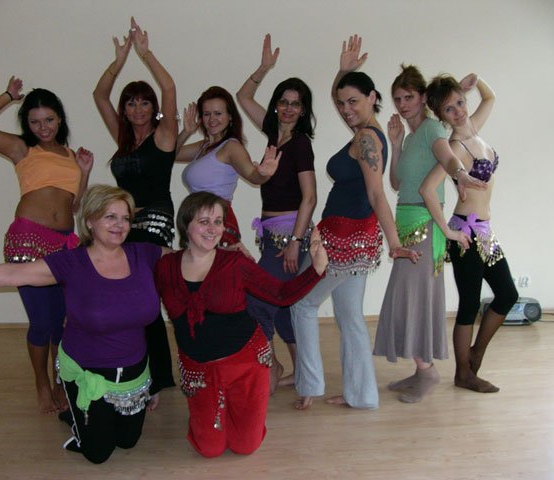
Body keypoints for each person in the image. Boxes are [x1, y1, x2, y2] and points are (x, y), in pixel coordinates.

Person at [0, 185, 166, 464]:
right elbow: (12, 274)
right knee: (98, 453)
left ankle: (95, 418)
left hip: (134, 373)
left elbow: (190, 261)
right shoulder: (72, 263)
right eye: (110, 217)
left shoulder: (145, 254)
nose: (119, 225)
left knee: (128, 441)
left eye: (125, 218)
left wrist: (216, 242)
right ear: (90, 220)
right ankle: (74, 416)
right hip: (89, 370)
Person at [290, 36, 420, 411]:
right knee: (350, 317)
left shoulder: (366, 139)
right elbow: (338, 98)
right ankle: (361, 395)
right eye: (342, 102)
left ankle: (310, 384)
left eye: (354, 101)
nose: (346, 109)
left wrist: (395, 243)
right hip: (357, 238)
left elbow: (378, 194)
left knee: (301, 304)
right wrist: (343, 71)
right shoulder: (368, 133)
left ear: (372, 97)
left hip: (343, 238)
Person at [153, 191, 327, 458]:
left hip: (244, 365)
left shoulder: (234, 263)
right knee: (209, 449)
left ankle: (233, 413)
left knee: (245, 446)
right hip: (198, 370)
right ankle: (212, 414)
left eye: (218, 222)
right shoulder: (165, 267)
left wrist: (316, 269)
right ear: (186, 225)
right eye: (204, 221)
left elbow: (281, 294)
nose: (213, 229)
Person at [0, 77, 93, 414]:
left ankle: (60, 381)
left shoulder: (70, 155)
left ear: (60, 118)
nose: (43, 127)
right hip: (28, 239)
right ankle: (41, 383)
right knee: (42, 323)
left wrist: (84, 172)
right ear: (27, 124)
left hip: (65, 245)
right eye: (35, 122)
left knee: (64, 322)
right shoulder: (22, 149)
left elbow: (75, 205)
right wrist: (8, 96)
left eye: (49, 119)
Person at [373, 63, 482, 404]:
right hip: (407, 226)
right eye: (397, 99)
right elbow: (396, 183)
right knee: (407, 298)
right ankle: (421, 370)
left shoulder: (432, 128)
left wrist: (460, 173)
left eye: (408, 97)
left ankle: (428, 371)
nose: (402, 104)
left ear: (422, 98)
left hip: (425, 227)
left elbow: (448, 158)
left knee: (415, 299)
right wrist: (395, 144)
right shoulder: (410, 136)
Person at [93, 17, 176, 394]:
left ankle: (157, 378)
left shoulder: (164, 135)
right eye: (131, 102)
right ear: (124, 109)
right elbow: (99, 95)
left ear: (152, 107)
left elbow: (169, 86)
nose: (138, 108)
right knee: (133, 299)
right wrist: (119, 60)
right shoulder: (123, 140)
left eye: (144, 102)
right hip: (124, 224)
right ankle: (143, 372)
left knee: (142, 296)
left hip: (154, 222)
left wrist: (145, 54)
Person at [420, 73, 518, 393]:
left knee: (508, 294)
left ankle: (475, 354)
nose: (459, 111)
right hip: (465, 233)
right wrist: (447, 231)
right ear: (441, 115)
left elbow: (490, 98)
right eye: (449, 109)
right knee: (469, 304)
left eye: (460, 103)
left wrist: (475, 81)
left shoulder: (474, 127)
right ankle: (463, 373)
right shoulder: (454, 148)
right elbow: (427, 189)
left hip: (485, 232)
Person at [236, 34, 317, 393]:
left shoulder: (300, 145)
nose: (288, 108)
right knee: (283, 305)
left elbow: (310, 198)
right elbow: (243, 97)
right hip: (272, 235)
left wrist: (296, 242)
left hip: (290, 236)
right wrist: (264, 68)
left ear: (303, 110)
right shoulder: (274, 135)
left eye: (295, 104)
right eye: (283, 102)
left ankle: (270, 368)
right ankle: (302, 373)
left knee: (259, 300)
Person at [176, 86, 280, 247]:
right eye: (207, 114)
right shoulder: (203, 146)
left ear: (230, 116)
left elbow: (252, 175)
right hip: (198, 218)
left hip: (218, 220)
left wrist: (264, 174)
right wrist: (186, 132)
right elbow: (168, 155)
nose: (212, 119)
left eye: (218, 113)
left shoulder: (231, 147)